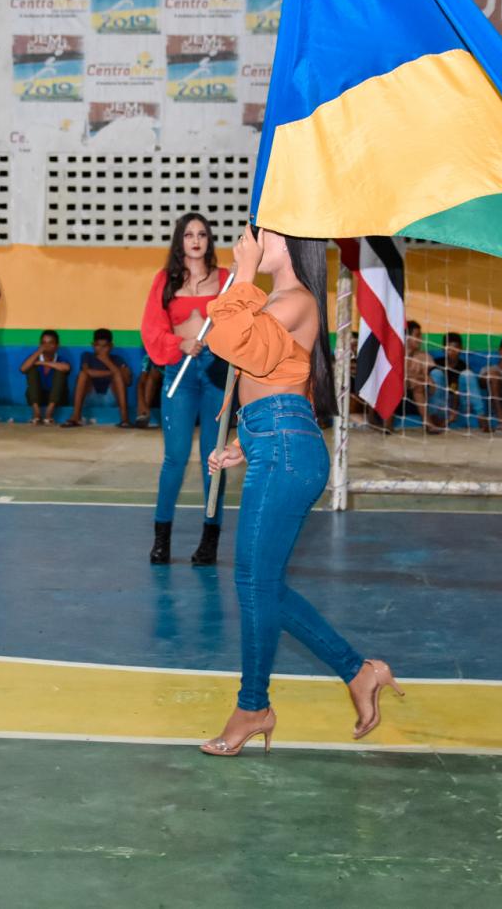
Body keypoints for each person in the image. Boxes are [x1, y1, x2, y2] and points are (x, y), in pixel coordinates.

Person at [200, 224, 400, 757]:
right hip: (277, 441)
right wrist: (246, 440)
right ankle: (357, 673)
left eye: (259, 231)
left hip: (287, 450)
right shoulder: (284, 302)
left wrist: (241, 273)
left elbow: (230, 340)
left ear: (290, 242)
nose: (249, 237)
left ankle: (254, 706)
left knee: (254, 584)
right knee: (258, 585)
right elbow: (278, 378)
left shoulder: (297, 301)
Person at [141, 212, 229, 565]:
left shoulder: (226, 281)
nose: (196, 240)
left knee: (214, 460)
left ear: (209, 241)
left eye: (202, 234)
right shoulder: (164, 281)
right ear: (180, 242)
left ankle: (210, 540)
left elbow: (243, 322)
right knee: (174, 459)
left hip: (216, 373)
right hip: (179, 372)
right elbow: (151, 329)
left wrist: (216, 340)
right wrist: (179, 344)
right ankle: (161, 540)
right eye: (189, 235)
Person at [62, 328, 134, 428]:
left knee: (117, 377)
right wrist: (113, 372)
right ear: (93, 345)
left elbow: (128, 381)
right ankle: (75, 416)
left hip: (110, 397)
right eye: (98, 345)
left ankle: (125, 419)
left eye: (105, 346)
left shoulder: (117, 359)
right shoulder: (87, 356)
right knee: (83, 375)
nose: (101, 349)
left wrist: (106, 361)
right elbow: (86, 371)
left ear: (111, 346)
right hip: (90, 396)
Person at [20, 329, 71, 425]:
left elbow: (66, 367)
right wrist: (38, 352)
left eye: (50, 343)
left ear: (57, 346)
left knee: (60, 371)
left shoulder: (60, 359)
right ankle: (36, 413)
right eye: (44, 343)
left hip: (58, 399)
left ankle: (49, 413)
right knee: (31, 369)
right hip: (38, 398)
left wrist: (41, 363)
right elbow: (23, 369)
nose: (46, 346)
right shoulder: (35, 357)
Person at [402, 321, 445, 431]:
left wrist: (425, 379)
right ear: (407, 337)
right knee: (413, 381)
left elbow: (433, 379)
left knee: (430, 377)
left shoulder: (424, 356)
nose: (421, 339)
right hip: (398, 400)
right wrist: (421, 377)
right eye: (417, 336)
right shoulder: (397, 354)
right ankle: (386, 423)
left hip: (419, 401)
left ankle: (431, 419)